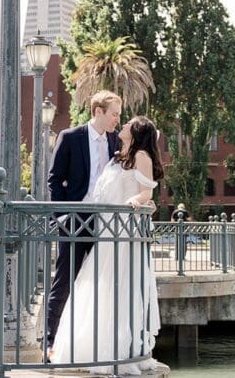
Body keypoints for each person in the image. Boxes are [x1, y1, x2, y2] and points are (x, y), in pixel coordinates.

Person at [51, 116, 163, 374]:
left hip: (124, 232)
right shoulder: (118, 154)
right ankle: (88, 348)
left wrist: (134, 201)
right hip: (106, 231)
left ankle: (118, 351)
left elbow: (147, 193)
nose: (122, 125)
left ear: (135, 131)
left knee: (120, 288)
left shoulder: (142, 156)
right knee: (97, 287)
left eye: (128, 124)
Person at [45, 90, 122, 351]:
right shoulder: (70, 137)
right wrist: (62, 216)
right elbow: (54, 180)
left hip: (106, 223)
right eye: (114, 114)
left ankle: (94, 345)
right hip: (75, 220)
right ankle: (49, 342)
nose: (117, 120)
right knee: (64, 281)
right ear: (98, 111)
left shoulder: (116, 142)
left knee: (103, 284)